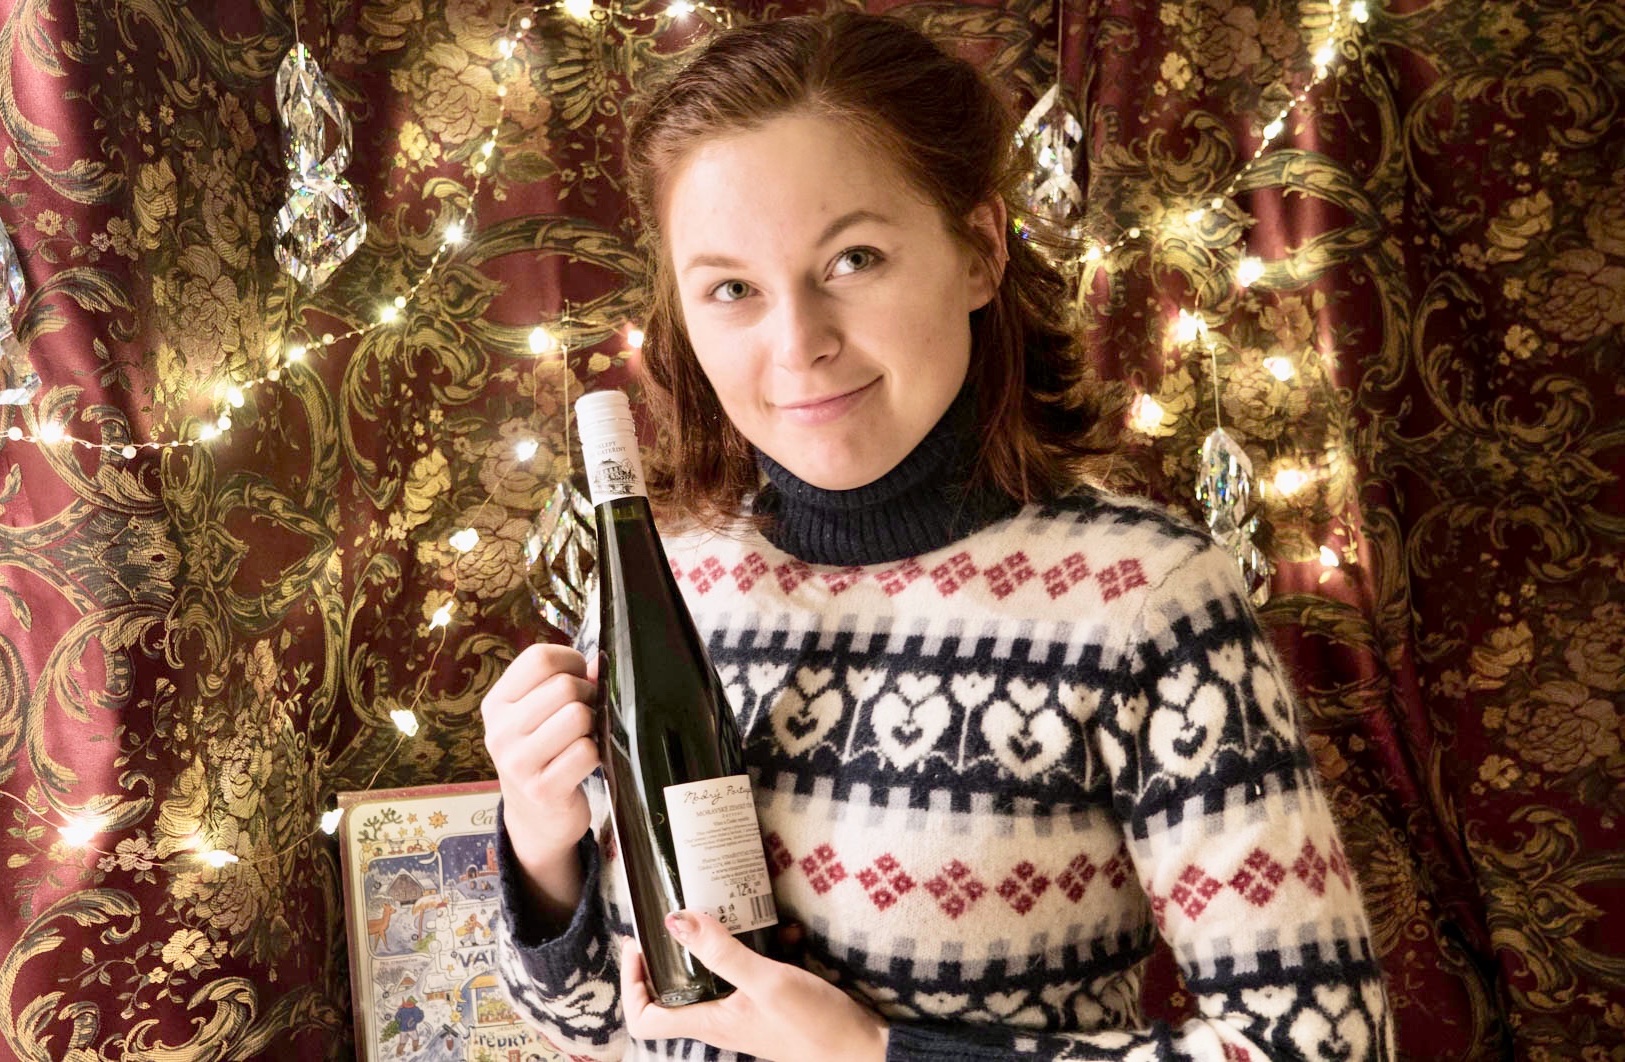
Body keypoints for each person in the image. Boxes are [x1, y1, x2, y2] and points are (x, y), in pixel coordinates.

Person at [481, 12, 1393, 1061]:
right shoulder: (665, 581)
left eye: (853, 259)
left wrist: (875, 1055)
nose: (798, 344)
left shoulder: (1145, 600)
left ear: (978, 250)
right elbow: (610, 1022)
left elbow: (1320, 1048)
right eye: (731, 289)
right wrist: (539, 848)